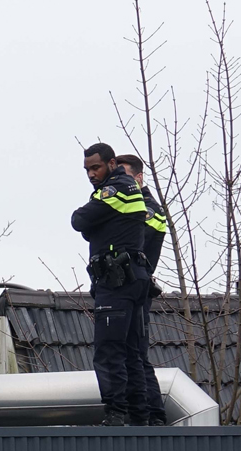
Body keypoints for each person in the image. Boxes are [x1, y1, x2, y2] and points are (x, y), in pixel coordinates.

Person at [70, 143, 150, 426]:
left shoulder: (114, 189)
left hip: (116, 281)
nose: (91, 174)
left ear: (112, 163)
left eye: (96, 167)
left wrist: (94, 225)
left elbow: (79, 221)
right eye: (87, 170)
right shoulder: (130, 190)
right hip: (134, 279)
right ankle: (141, 417)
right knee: (131, 353)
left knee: (108, 352)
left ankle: (115, 414)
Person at [114, 154, 168, 425]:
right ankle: (146, 415)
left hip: (137, 290)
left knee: (135, 354)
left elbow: (132, 239)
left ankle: (152, 417)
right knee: (127, 354)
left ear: (138, 177)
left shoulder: (148, 209)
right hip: (128, 289)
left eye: (123, 175)